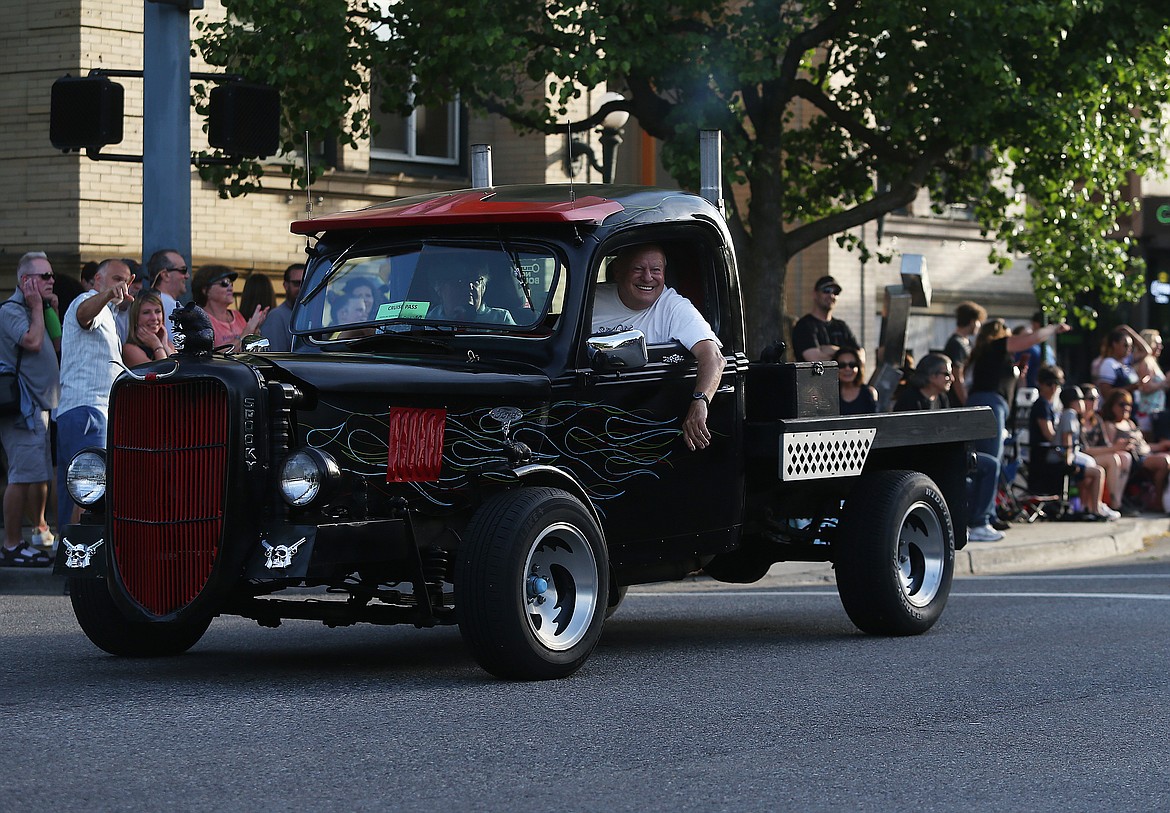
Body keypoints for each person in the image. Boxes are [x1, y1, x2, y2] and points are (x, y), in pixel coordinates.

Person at [591, 243, 724, 452]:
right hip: (591, 417)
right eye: (638, 269)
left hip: (648, 428)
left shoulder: (673, 307)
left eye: (656, 270)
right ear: (617, 270)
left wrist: (700, 402)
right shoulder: (592, 299)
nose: (647, 277)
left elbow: (714, 356)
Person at [55, 258, 131, 537]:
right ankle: (80, 559)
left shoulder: (109, 312)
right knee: (89, 489)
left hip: (84, 411)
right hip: (89, 411)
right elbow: (84, 315)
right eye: (115, 279)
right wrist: (108, 296)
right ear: (97, 280)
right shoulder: (87, 300)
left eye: (125, 280)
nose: (121, 286)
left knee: (76, 487)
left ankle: (69, 555)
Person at [892, 353, 1002, 541]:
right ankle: (974, 523)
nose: (951, 378)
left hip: (942, 456)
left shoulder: (941, 399)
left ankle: (979, 522)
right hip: (920, 460)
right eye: (946, 374)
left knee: (989, 465)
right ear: (931, 376)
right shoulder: (910, 399)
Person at [966, 317, 1072, 506]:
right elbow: (1029, 340)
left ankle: (988, 511)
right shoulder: (996, 345)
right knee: (990, 461)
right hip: (991, 404)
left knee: (989, 461)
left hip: (986, 402)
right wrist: (1053, 328)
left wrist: (1017, 374)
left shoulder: (988, 355)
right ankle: (981, 518)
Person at [0, 252, 61, 566]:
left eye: (51, 275)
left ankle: (36, 533)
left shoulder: (40, 308)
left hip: (41, 407)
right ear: (25, 281)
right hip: (21, 408)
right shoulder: (12, 311)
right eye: (44, 276)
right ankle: (11, 544)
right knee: (21, 475)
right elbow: (33, 342)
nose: (51, 281)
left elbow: (56, 343)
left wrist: (49, 310)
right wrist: (38, 307)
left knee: (36, 473)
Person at [1054, 385, 1119, 520]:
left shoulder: (1072, 415)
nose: (1083, 403)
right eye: (1081, 400)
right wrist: (1068, 461)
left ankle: (1087, 506)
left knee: (1090, 466)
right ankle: (1095, 509)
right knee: (1097, 471)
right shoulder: (1070, 414)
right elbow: (1067, 440)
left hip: (1068, 455)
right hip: (1062, 457)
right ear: (1073, 402)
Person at [1099, 388, 1170, 510]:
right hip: (1132, 458)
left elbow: (1144, 446)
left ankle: (1159, 500)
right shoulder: (1110, 425)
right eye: (1122, 404)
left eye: (1129, 404)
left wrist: (1161, 446)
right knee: (1164, 461)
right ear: (1112, 406)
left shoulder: (1130, 423)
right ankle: (1158, 501)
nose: (1126, 408)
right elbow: (1112, 447)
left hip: (1145, 453)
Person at [1079, 384, 1134, 515]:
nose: (1094, 402)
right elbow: (1084, 450)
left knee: (1125, 457)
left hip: (1096, 456)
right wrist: (1113, 448)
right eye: (1090, 398)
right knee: (1113, 458)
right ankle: (1115, 504)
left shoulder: (1096, 420)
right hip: (1084, 458)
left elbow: (1105, 444)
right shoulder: (1077, 420)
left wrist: (1117, 447)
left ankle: (1117, 500)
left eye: (1096, 398)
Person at [192, 265, 268, 351]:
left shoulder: (237, 315)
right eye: (224, 283)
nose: (230, 288)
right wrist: (247, 332)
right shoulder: (200, 321)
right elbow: (213, 357)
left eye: (231, 283)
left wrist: (255, 330)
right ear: (205, 290)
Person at [791, 275, 858, 362]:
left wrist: (833, 350)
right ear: (815, 294)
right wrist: (846, 356)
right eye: (826, 291)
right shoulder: (804, 325)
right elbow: (814, 359)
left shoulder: (841, 326)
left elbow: (860, 355)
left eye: (836, 292)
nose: (831, 295)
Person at [429, 268, 515, 324]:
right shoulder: (428, 319)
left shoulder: (501, 319)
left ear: (483, 288)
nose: (469, 286)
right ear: (439, 288)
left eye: (475, 281)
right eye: (459, 281)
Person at [943, 300, 986, 406]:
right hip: (956, 399)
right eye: (978, 321)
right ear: (972, 321)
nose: (979, 325)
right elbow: (957, 375)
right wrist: (966, 402)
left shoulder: (966, 342)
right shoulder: (957, 344)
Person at [146, 248, 189, 342]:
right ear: (165, 275)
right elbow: (180, 345)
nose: (187, 276)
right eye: (183, 270)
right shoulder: (168, 305)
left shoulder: (151, 301)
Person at [121, 291, 175, 366]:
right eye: (146, 312)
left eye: (158, 311)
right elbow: (164, 371)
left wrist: (165, 345)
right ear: (135, 318)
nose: (154, 318)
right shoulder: (130, 350)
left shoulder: (169, 344)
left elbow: (179, 372)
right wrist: (157, 346)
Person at [1094, 325, 1148, 398]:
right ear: (1115, 344)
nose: (1129, 349)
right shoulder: (1108, 364)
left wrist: (1130, 332)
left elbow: (1146, 351)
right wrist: (1132, 387)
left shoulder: (1126, 362)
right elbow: (1106, 393)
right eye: (1125, 345)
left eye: (1131, 346)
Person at [260, 262, 304, 352]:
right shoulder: (276, 317)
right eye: (296, 283)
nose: (301, 288)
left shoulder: (312, 315)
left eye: (305, 283)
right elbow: (276, 358)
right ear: (286, 285)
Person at [1132, 329, 1167, 435]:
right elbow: (1145, 387)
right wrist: (1165, 382)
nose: (1161, 347)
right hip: (1147, 414)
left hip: (1156, 411)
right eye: (1157, 343)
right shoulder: (1145, 363)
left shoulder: (1152, 362)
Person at [1016, 311, 1057, 389]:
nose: (1050, 328)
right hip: (1032, 392)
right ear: (1036, 324)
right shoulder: (1027, 347)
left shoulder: (1047, 348)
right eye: (1048, 324)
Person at [834, 346, 877, 414]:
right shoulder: (829, 395)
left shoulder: (868, 392)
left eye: (852, 365)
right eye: (842, 365)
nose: (847, 369)